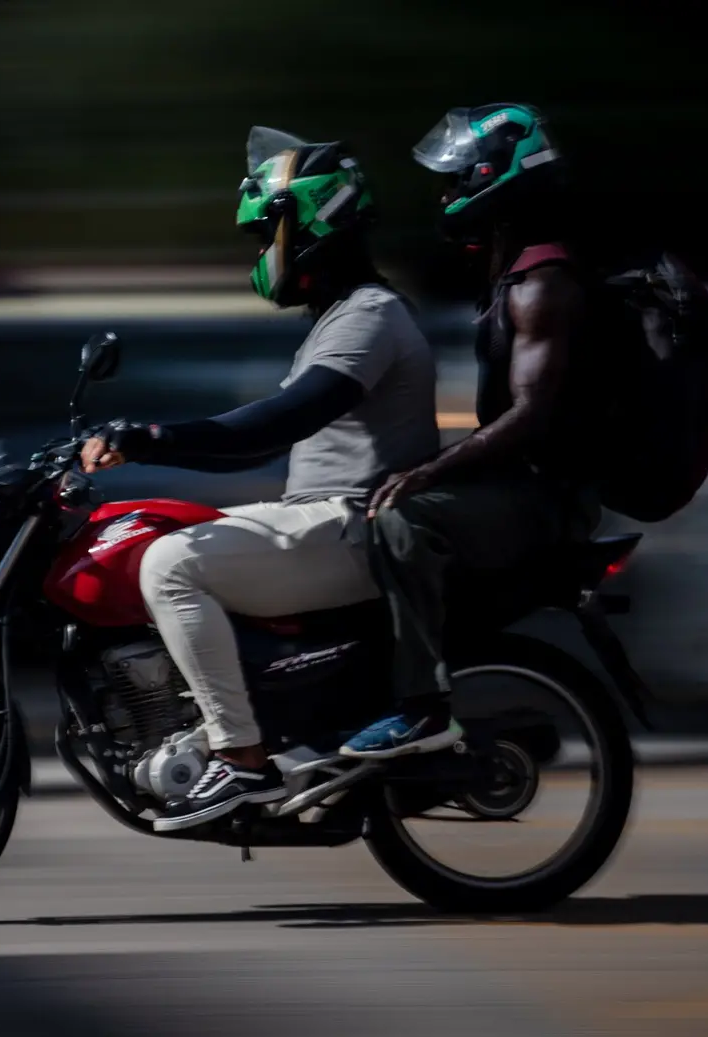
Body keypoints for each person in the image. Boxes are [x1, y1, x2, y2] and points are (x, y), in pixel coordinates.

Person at [81, 126, 440, 831]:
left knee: (172, 565)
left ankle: (240, 759)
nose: (259, 252)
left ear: (309, 221)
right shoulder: (340, 318)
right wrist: (150, 447)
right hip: (326, 520)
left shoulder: (370, 315)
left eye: (264, 232)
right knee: (162, 530)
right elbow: (250, 449)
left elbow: (277, 422)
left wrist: (148, 437)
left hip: (352, 526)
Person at [339, 102, 608, 760]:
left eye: (456, 178)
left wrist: (430, 470)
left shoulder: (543, 284)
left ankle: (421, 709)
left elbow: (530, 415)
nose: (444, 192)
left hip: (545, 500)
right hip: (518, 485)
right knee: (356, 509)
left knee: (402, 522)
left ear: (495, 177)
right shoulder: (513, 274)